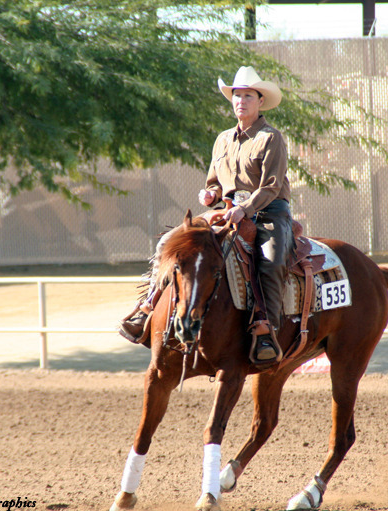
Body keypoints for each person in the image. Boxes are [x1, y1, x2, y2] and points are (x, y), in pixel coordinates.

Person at [119, 66, 294, 367]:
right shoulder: (222, 139)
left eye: (248, 96)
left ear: (260, 101)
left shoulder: (271, 138)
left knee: (272, 259)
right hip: (225, 211)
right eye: (236, 95)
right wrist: (209, 194)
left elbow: (272, 185)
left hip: (267, 211)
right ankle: (147, 307)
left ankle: (265, 328)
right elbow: (213, 181)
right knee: (171, 243)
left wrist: (245, 209)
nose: (241, 101)